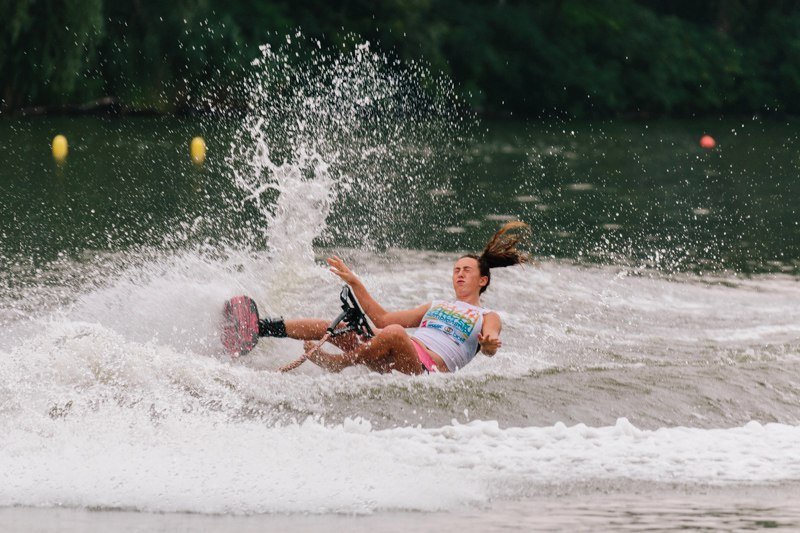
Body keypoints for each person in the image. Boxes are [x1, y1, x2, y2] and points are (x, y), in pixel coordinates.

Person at [259, 221, 528, 374]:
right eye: (456, 270)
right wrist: (355, 282)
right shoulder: (436, 306)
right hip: (396, 350)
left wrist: (490, 343)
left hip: (426, 369)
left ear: (482, 280)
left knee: (396, 333)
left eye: (466, 270)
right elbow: (382, 319)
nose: (459, 274)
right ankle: (261, 327)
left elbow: (491, 345)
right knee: (338, 327)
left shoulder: (486, 317)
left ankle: (339, 364)